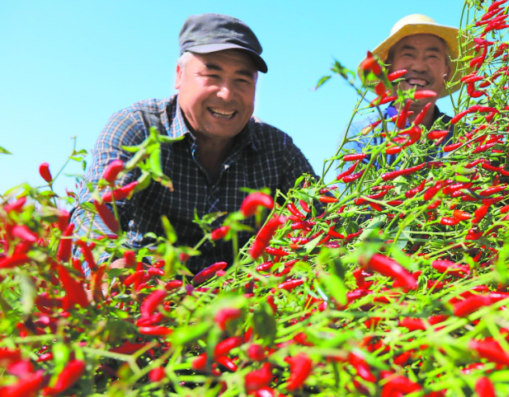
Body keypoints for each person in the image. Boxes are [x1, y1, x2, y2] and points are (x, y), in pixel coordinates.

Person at [71, 14, 317, 276]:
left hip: (237, 304)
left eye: (242, 80)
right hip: (147, 297)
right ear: (179, 76)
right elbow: (95, 210)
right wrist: (110, 268)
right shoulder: (138, 127)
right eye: (212, 75)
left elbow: (321, 214)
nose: (226, 94)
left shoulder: (276, 148)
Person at [339, 15, 467, 165]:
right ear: (388, 68)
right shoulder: (361, 136)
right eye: (408, 54)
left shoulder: (467, 138)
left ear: (447, 71)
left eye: (432, 56)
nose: (419, 67)